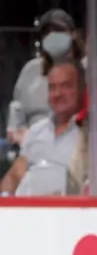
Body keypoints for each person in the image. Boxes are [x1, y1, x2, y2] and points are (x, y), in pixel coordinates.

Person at [8, 9, 97, 146]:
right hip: (35, 148)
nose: (53, 37)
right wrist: (18, 134)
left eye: (58, 32)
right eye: (47, 33)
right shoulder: (30, 70)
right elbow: (16, 115)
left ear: (73, 34)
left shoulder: (95, 67)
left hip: (83, 147)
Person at [0, 62, 84, 196]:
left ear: (81, 89)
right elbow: (15, 175)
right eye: (52, 87)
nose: (58, 94)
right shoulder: (36, 130)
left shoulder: (89, 134)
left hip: (66, 211)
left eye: (66, 86)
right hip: (25, 210)